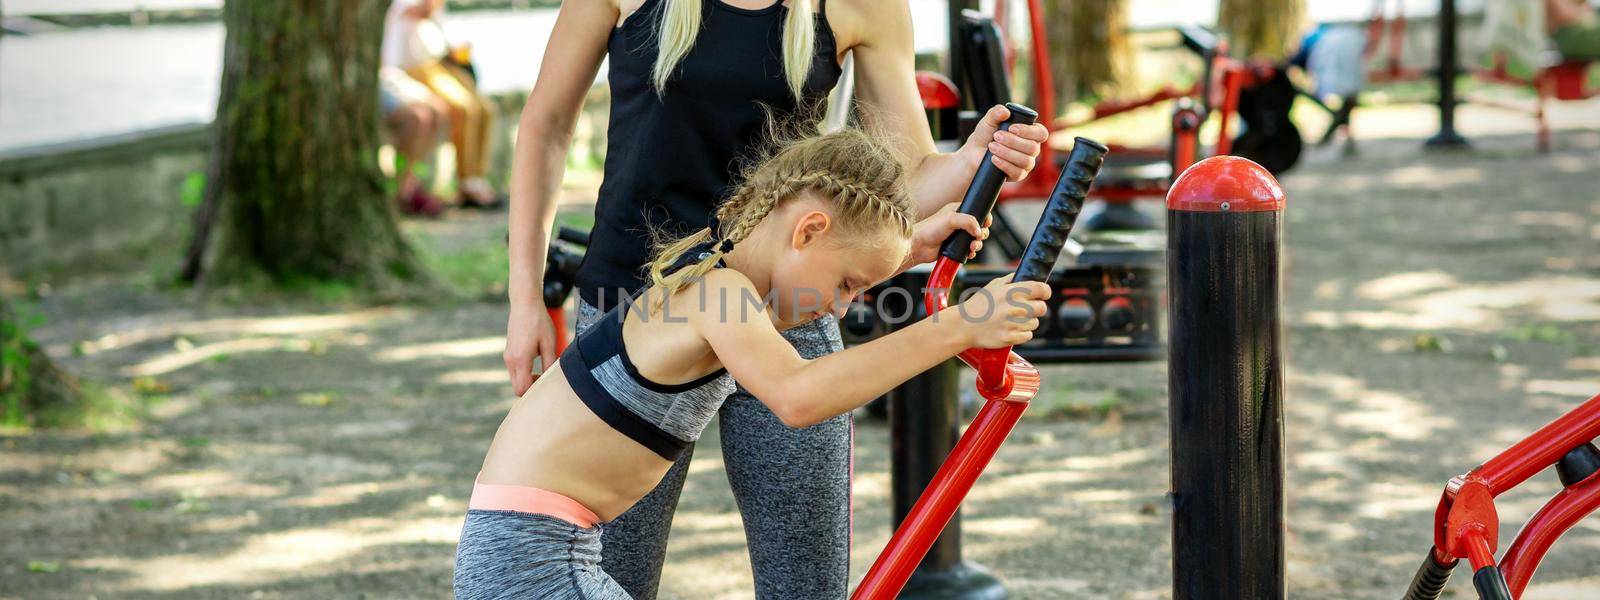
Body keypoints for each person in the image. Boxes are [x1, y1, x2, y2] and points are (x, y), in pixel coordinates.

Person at [502, 0, 1050, 597]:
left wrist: (973, 162)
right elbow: (546, 128)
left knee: (806, 582)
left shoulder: (861, 6)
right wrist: (525, 297)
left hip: (792, 297)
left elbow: (902, 187)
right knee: (610, 571)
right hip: (641, 307)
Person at [382, 0, 501, 208]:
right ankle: (466, 183)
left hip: (439, 63)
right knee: (465, 108)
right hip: (417, 68)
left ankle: (477, 178)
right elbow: (418, 12)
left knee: (485, 109)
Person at [380, 66, 448, 217]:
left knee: (439, 110)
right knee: (417, 118)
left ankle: (412, 182)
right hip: (381, 85)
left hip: (392, 76)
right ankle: (402, 189)